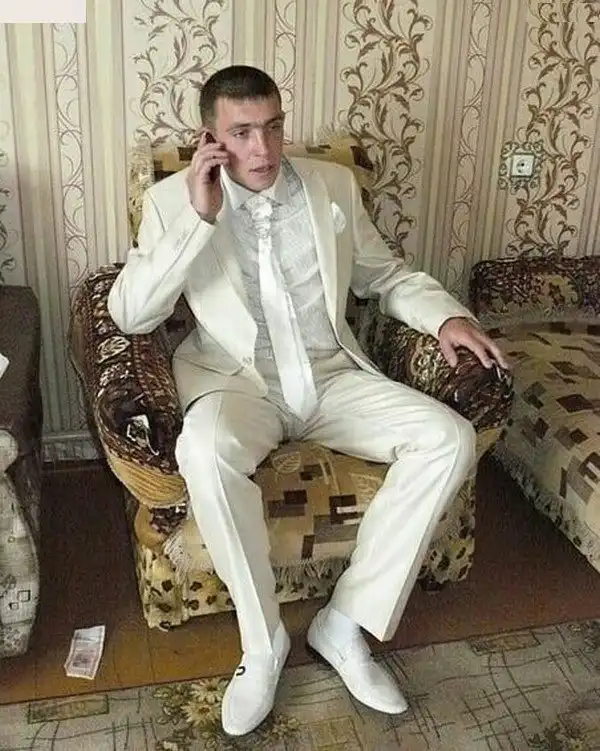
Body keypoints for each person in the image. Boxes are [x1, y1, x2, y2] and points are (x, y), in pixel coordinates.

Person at [108, 65, 508, 736]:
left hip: (331, 377)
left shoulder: (332, 186)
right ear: (211, 138)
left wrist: (445, 317)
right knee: (202, 449)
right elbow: (131, 314)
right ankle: (263, 643)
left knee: (449, 438)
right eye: (242, 133)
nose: (263, 148)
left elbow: (386, 275)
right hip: (236, 382)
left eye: (273, 127)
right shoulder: (172, 202)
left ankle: (344, 623)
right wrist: (199, 218)